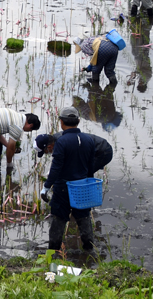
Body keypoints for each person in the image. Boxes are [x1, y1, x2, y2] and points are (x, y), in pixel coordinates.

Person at [41, 106, 98, 252]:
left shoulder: (62, 141)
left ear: (61, 122)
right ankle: (89, 250)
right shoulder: (89, 140)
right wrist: (89, 182)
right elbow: (91, 166)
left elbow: (56, 168)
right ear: (78, 121)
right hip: (82, 186)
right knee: (84, 218)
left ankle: (53, 252)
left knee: (59, 220)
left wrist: (47, 187)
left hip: (63, 188)